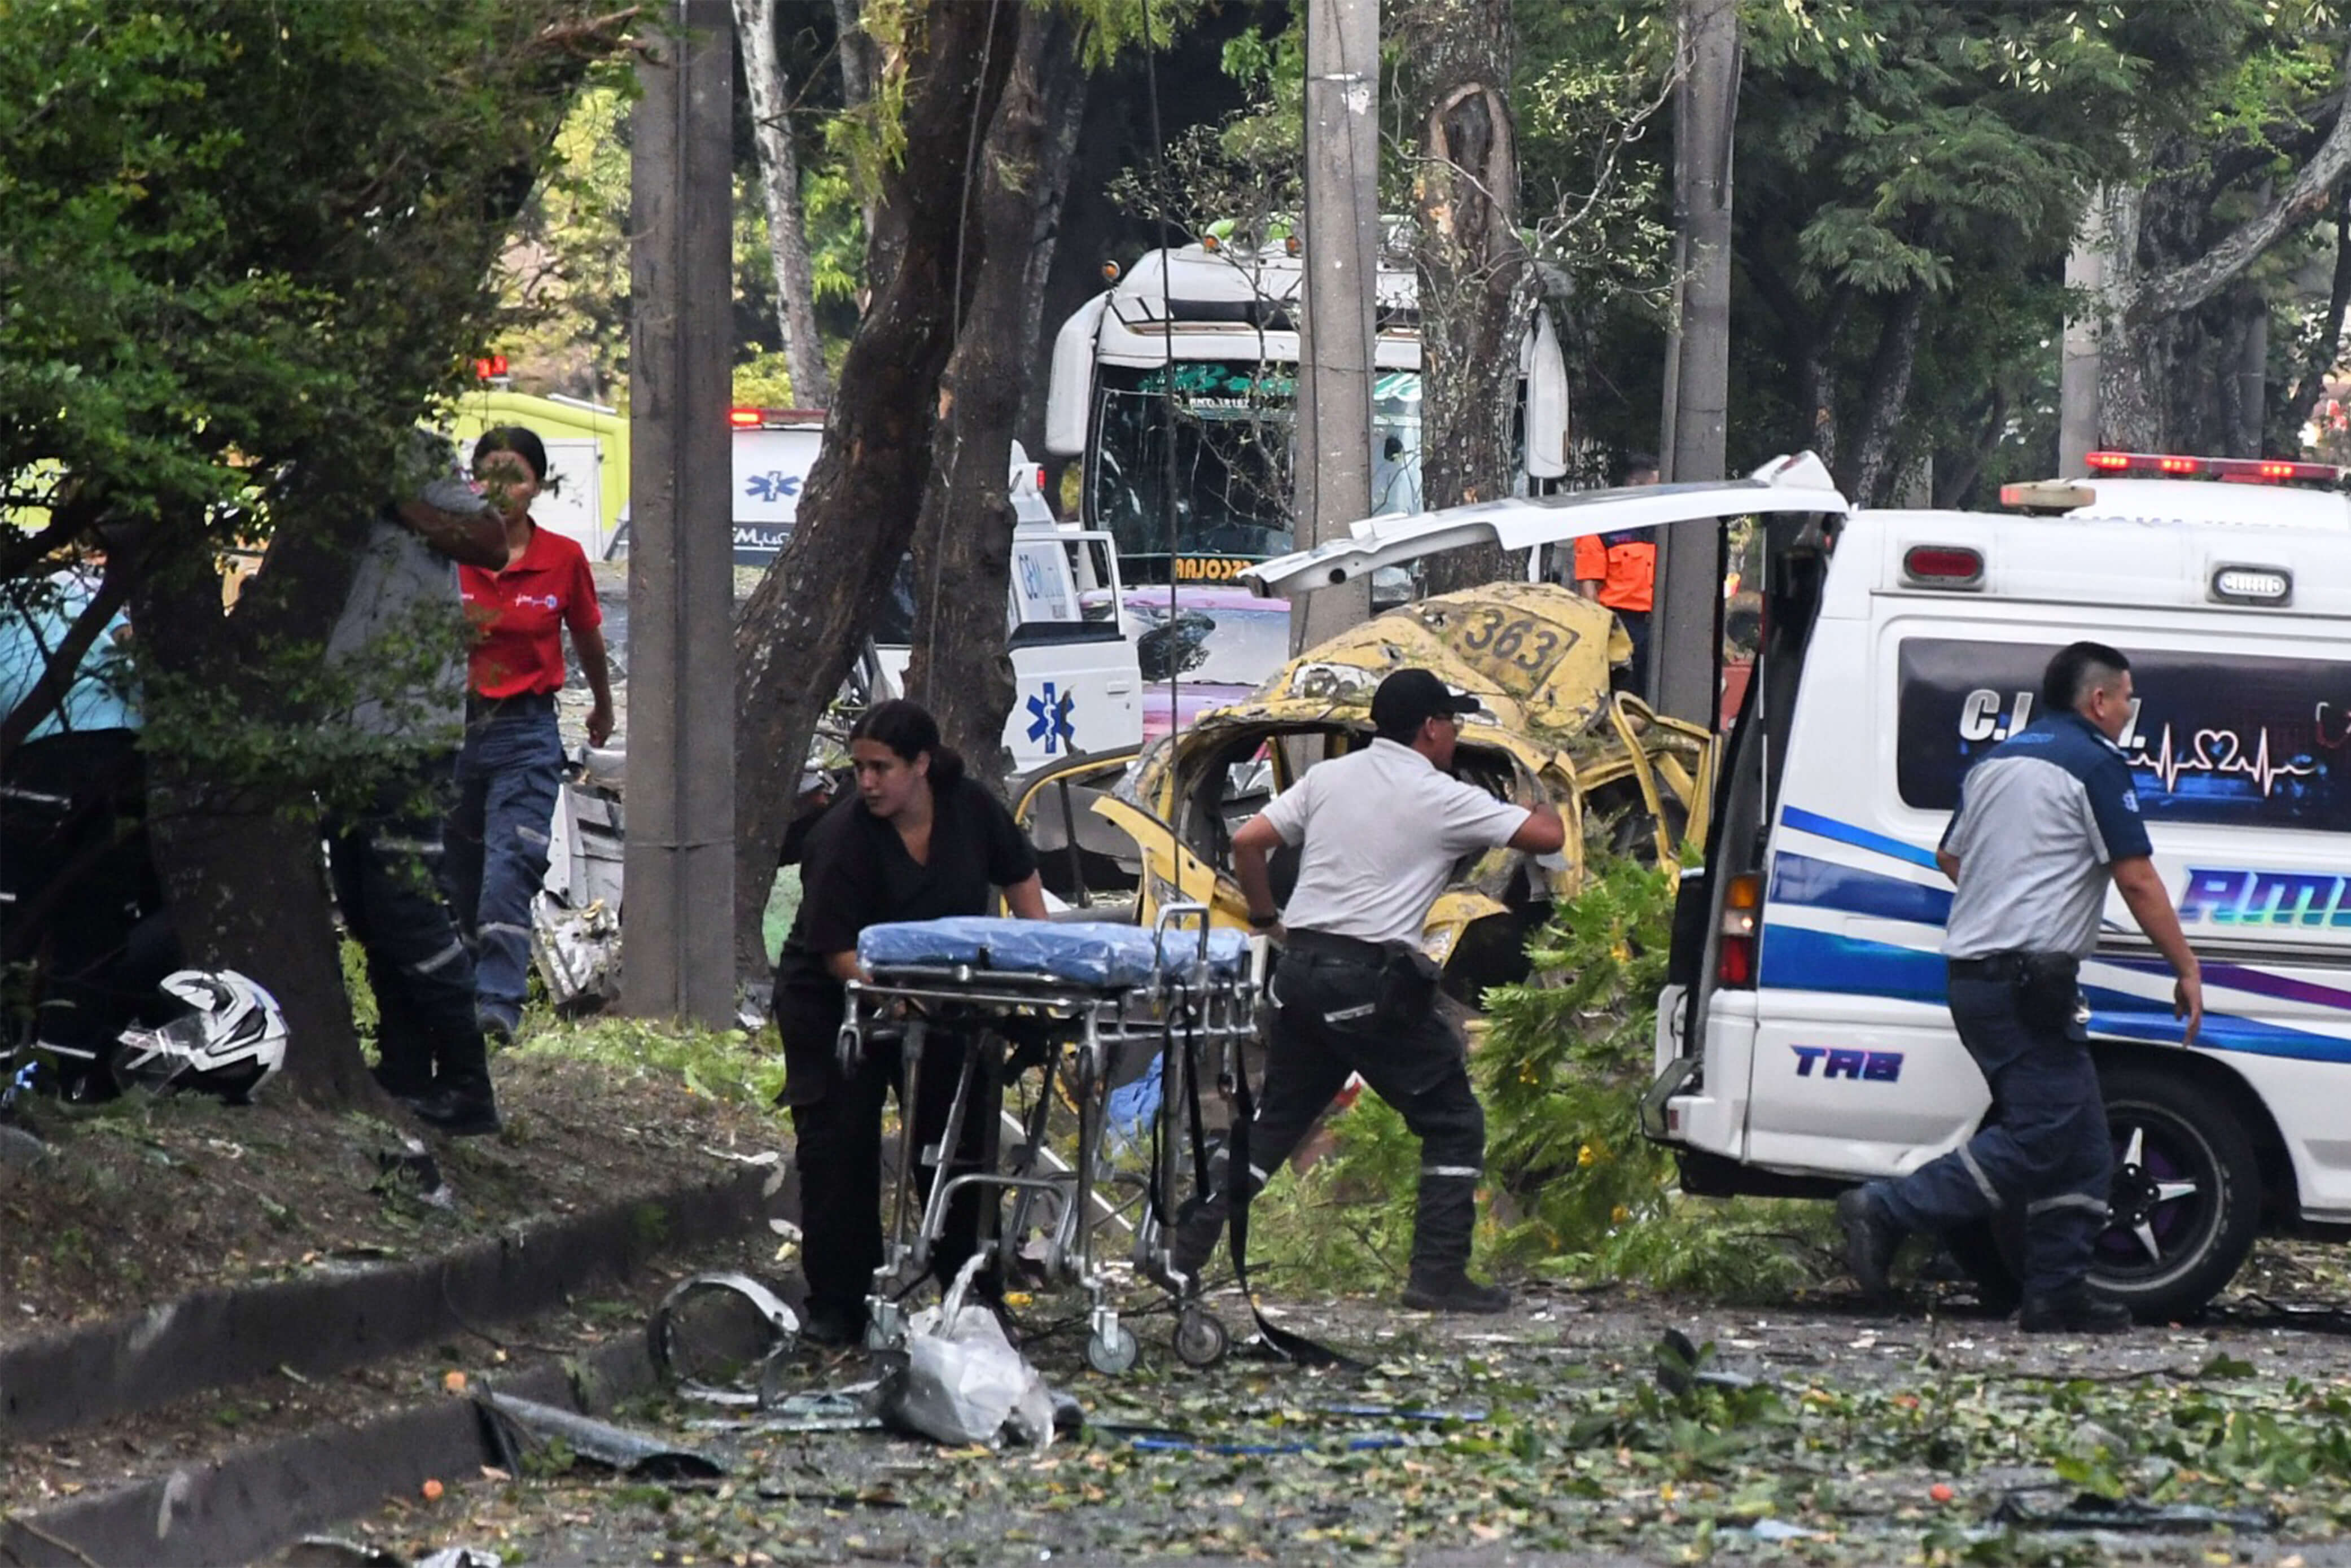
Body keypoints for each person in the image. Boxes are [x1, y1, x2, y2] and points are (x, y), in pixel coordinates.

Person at [1170, 668, 1567, 1313]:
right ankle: (1437, 1274)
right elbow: (1546, 837)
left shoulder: (1328, 779)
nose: (1456, 736)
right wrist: (1541, 780)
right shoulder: (1440, 795)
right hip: (1370, 981)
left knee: (1275, 1126)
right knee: (1453, 1121)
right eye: (1453, 725)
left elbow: (1248, 843)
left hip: (1300, 972)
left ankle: (1181, 1250)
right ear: (1432, 728)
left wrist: (1269, 919)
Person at [1836, 641, 2204, 1334]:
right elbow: (2135, 877)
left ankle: (2056, 1293)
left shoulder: (1996, 762)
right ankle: (1888, 1210)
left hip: (1978, 979)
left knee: (2084, 1143)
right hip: (2023, 984)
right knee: (2042, 1136)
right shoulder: (2094, 763)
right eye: (2126, 698)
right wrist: (2184, 967)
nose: (2129, 711)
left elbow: (1952, 856)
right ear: (2098, 700)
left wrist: (2011, 899)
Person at [771, 699, 1048, 1346]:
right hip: (836, 1000)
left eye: (881, 768)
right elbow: (839, 953)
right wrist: (897, 997)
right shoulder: (840, 839)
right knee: (840, 1147)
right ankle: (839, 1304)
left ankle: (971, 1288)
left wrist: (1045, 964)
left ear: (921, 765)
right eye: (858, 768)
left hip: (944, 995)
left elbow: (1020, 876)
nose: (867, 783)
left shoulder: (970, 808)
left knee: (957, 1137)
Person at [323, 433, 509, 1135]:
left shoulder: (411, 456)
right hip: (339, 726)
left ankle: (467, 1080)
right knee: (365, 905)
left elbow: (491, 542)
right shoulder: (313, 461)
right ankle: (404, 1065)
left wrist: (402, 502)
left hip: (405, 727)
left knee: (406, 904)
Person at [445, 427, 614, 1045]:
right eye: (488, 473)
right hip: (452, 732)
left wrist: (601, 704)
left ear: (537, 484)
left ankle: (498, 1006)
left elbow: (589, 634)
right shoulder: (448, 554)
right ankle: (457, 1002)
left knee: (508, 870)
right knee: (458, 877)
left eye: (514, 474)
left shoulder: (563, 557)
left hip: (526, 732)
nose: (502, 488)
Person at [1573, 452, 1660, 691]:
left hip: (1661, 625)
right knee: (1624, 695)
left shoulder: (1664, 527)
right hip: (1622, 625)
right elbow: (1588, 590)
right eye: (1654, 489)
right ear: (1634, 485)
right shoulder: (1600, 528)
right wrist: (1601, 637)